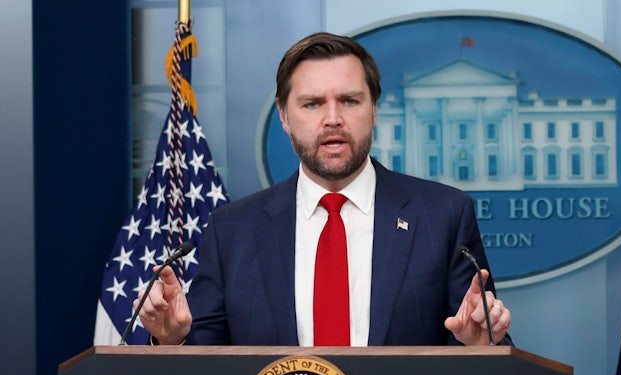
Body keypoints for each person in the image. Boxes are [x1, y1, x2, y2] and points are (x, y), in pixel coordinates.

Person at [136, 32, 512, 347]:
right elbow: (205, 369)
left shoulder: (443, 215)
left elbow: (480, 338)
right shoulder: (233, 229)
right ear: (284, 116)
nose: (333, 119)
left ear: (374, 110)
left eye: (349, 101)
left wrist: (480, 347)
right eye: (312, 104)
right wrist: (173, 340)